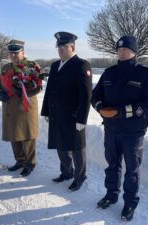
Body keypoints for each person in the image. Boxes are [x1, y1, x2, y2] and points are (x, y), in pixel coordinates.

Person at [91, 35, 148, 221]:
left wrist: (121, 112)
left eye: (126, 50)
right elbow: (95, 94)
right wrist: (99, 108)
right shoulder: (109, 72)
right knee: (112, 165)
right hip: (111, 129)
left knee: (132, 169)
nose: (121, 53)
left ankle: (130, 202)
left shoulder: (146, 74)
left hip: (133, 131)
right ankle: (111, 194)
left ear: (134, 52)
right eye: (119, 50)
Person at [41, 31, 92, 192]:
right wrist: (46, 111)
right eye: (59, 47)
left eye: (64, 46)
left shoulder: (81, 65)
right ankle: (66, 172)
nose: (60, 49)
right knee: (61, 145)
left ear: (72, 47)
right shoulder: (55, 65)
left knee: (77, 148)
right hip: (57, 115)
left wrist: (81, 119)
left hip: (73, 116)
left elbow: (86, 96)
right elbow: (50, 90)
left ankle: (80, 176)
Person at [0, 39, 42, 177]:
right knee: (14, 135)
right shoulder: (6, 67)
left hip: (25, 108)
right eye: (11, 53)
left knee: (27, 137)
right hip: (9, 107)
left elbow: (37, 87)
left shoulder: (31, 66)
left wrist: (21, 92)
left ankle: (30, 163)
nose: (13, 56)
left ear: (23, 52)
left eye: (16, 52)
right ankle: (20, 161)